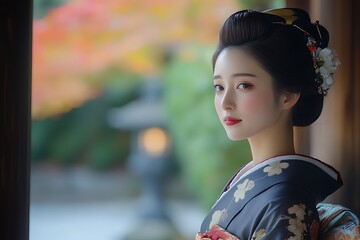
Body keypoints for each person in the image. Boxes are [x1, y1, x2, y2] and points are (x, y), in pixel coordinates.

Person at [195, 8, 343, 239]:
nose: (226, 102)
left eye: (244, 85)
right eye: (219, 87)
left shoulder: (285, 201)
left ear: (288, 95)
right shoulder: (255, 178)